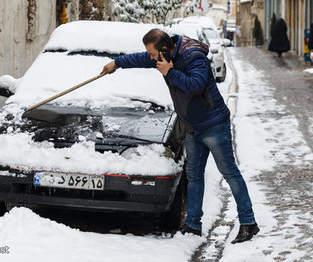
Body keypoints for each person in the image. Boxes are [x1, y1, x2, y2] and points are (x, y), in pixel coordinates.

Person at [101, 29, 259, 243]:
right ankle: (193, 224)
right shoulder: (166, 55)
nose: (150, 58)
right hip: (193, 126)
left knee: (229, 173)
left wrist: (170, 72)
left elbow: (196, 84)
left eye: (153, 54)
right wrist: (116, 64)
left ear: (164, 49)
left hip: (214, 125)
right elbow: (141, 58)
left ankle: (249, 223)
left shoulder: (193, 55)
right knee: (193, 175)